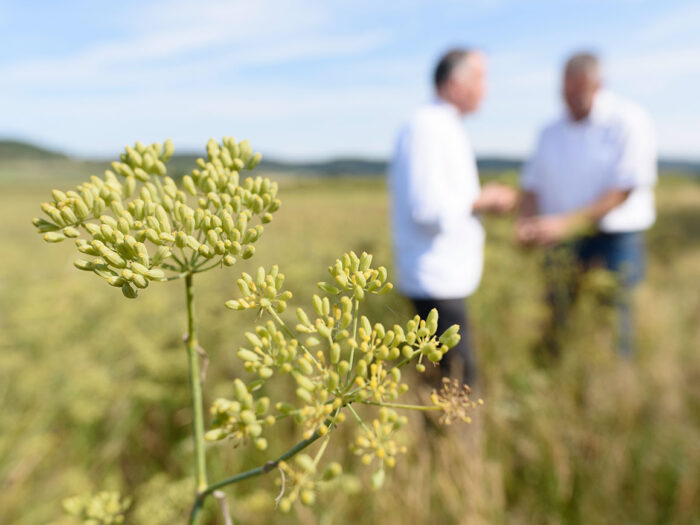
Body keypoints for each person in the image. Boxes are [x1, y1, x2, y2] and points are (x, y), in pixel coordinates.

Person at [389, 48, 516, 386]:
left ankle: (445, 438)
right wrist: (481, 201)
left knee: (446, 377)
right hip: (435, 280)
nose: (486, 89)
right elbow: (426, 209)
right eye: (481, 79)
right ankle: (453, 440)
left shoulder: (442, 125)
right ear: (456, 84)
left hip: (443, 277)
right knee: (456, 383)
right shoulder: (427, 127)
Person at [517, 52, 657, 356]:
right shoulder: (549, 131)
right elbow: (531, 185)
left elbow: (623, 189)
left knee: (613, 320)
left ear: (598, 85)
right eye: (565, 91)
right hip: (560, 240)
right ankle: (554, 377)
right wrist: (526, 222)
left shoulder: (627, 120)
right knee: (556, 315)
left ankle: (613, 386)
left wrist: (566, 223)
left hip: (614, 239)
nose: (570, 99)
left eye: (578, 91)